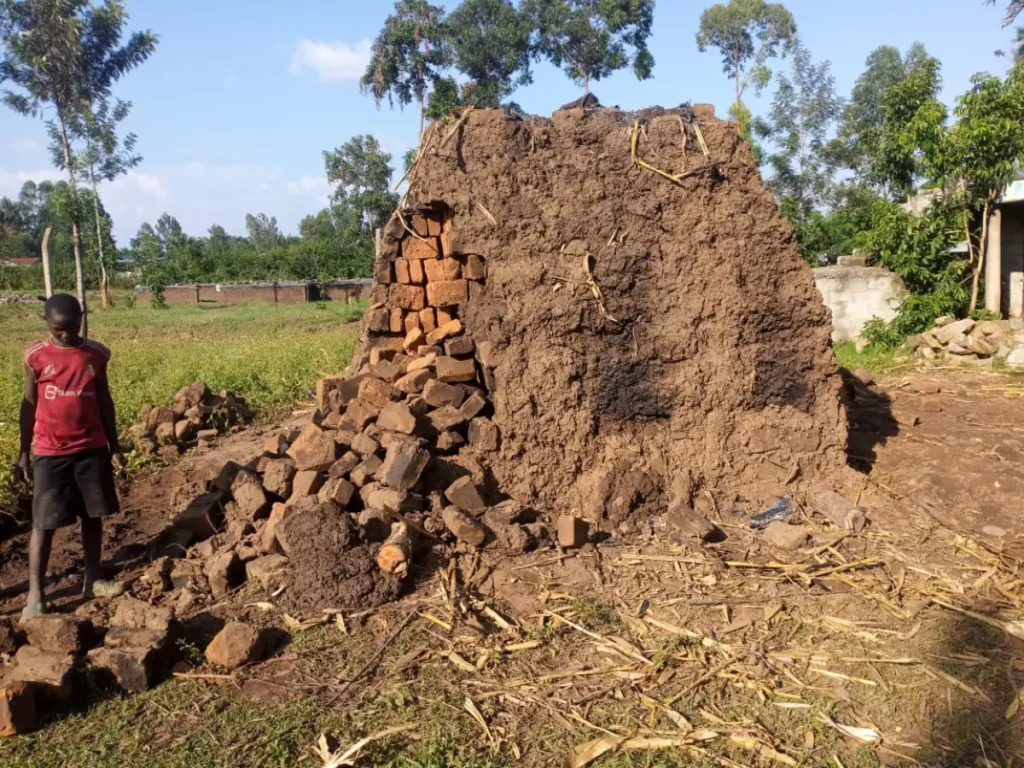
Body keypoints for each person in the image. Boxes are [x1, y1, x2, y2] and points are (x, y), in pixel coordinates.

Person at [14, 293, 125, 619]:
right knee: (44, 523)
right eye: (58, 329)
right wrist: (23, 452)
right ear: (46, 322)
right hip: (50, 453)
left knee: (93, 515)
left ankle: (92, 580)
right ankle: (35, 594)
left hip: (91, 449)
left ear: (81, 318)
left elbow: (105, 402)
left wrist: (114, 445)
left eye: (71, 327)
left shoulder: (96, 355)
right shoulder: (36, 357)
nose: (65, 334)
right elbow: (28, 405)